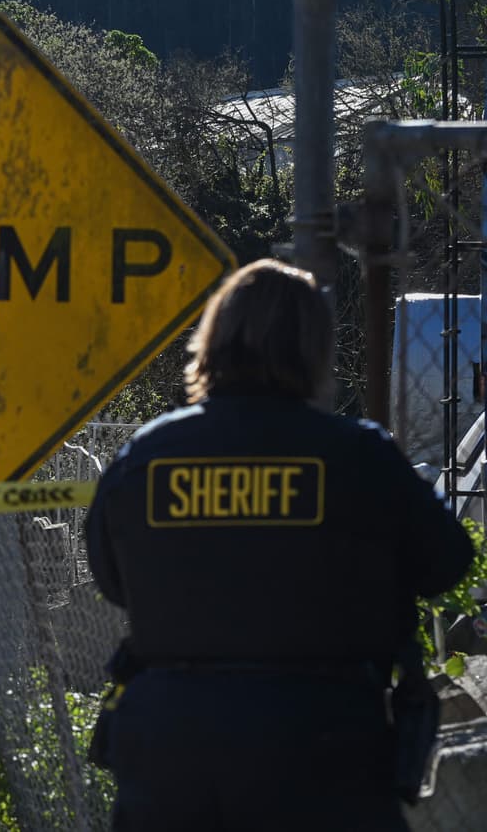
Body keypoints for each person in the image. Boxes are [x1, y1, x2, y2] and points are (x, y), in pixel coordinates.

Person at [85, 259, 474, 831]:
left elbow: (112, 581)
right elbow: (448, 562)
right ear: (314, 351)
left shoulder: (145, 457)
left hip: (173, 748)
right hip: (324, 747)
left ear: (212, 340)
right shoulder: (358, 455)